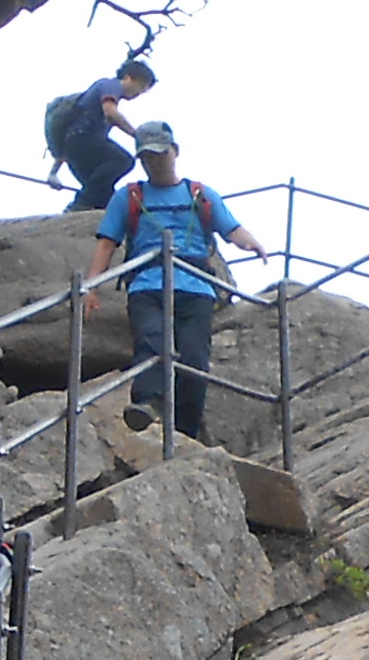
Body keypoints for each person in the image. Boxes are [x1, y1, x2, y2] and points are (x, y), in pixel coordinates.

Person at [84, 126, 266, 441]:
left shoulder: (200, 194)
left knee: (195, 358)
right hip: (147, 283)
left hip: (195, 286)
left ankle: (186, 429)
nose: (154, 162)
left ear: (175, 151)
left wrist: (251, 243)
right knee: (152, 343)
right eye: (147, 157)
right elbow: (106, 243)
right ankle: (147, 403)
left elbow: (230, 228)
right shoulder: (129, 196)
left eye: (160, 154)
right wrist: (91, 286)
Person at [40, 54, 157, 213]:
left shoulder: (97, 107)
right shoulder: (110, 85)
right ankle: (79, 204)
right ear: (129, 78)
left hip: (74, 148)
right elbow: (111, 113)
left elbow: (68, 137)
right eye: (141, 87)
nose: (139, 93)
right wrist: (136, 134)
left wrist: (53, 173)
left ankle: (84, 205)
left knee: (105, 196)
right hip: (83, 139)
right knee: (124, 160)